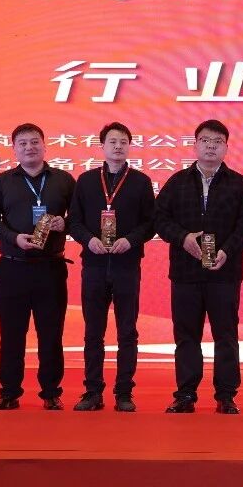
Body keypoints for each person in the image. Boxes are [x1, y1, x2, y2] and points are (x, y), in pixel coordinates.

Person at [154, 119, 243, 414]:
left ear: (226, 147)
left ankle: (226, 395)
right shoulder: (177, 182)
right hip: (185, 272)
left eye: (217, 141)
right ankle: (186, 394)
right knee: (186, 335)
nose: (211, 146)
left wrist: (227, 250)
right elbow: (159, 219)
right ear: (195, 145)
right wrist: (183, 238)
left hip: (224, 272)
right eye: (205, 140)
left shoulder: (238, 183)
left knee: (226, 335)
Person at [0, 123, 76, 410]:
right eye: (22, 143)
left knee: (51, 334)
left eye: (34, 142)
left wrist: (64, 223)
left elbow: (81, 218)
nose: (29, 147)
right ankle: (9, 392)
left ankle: (51, 392)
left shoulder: (63, 180)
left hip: (51, 268)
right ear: (14, 149)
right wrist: (13, 238)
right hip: (13, 267)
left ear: (44, 145)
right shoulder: (1, 181)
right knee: (11, 334)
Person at [67, 122, 155, 413]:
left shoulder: (141, 182)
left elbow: (150, 223)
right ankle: (92, 391)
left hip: (126, 265)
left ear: (129, 146)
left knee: (127, 331)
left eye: (123, 142)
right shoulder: (86, 181)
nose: (118, 146)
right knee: (93, 331)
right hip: (93, 265)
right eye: (113, 141)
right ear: (102, 146)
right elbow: (73, 221)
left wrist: (130, 240)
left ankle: (124, 392)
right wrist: (88, 239)